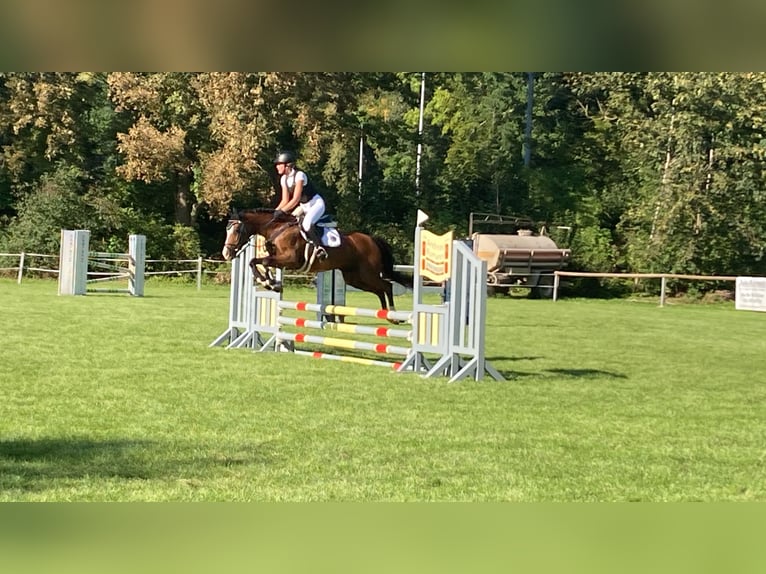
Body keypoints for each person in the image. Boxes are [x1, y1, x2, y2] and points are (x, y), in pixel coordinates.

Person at [273, 150, 327, 259]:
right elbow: (284, 201)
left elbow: (295, 199)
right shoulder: (284, 179)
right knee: (290, 222)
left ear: (287, 165)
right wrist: (273, 213)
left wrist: (282, 211)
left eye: (279, 164)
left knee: (307, 224)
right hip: (304, 206)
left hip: (316, 204)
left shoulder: (299, 175)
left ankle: (320, 248)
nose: (277, 167)